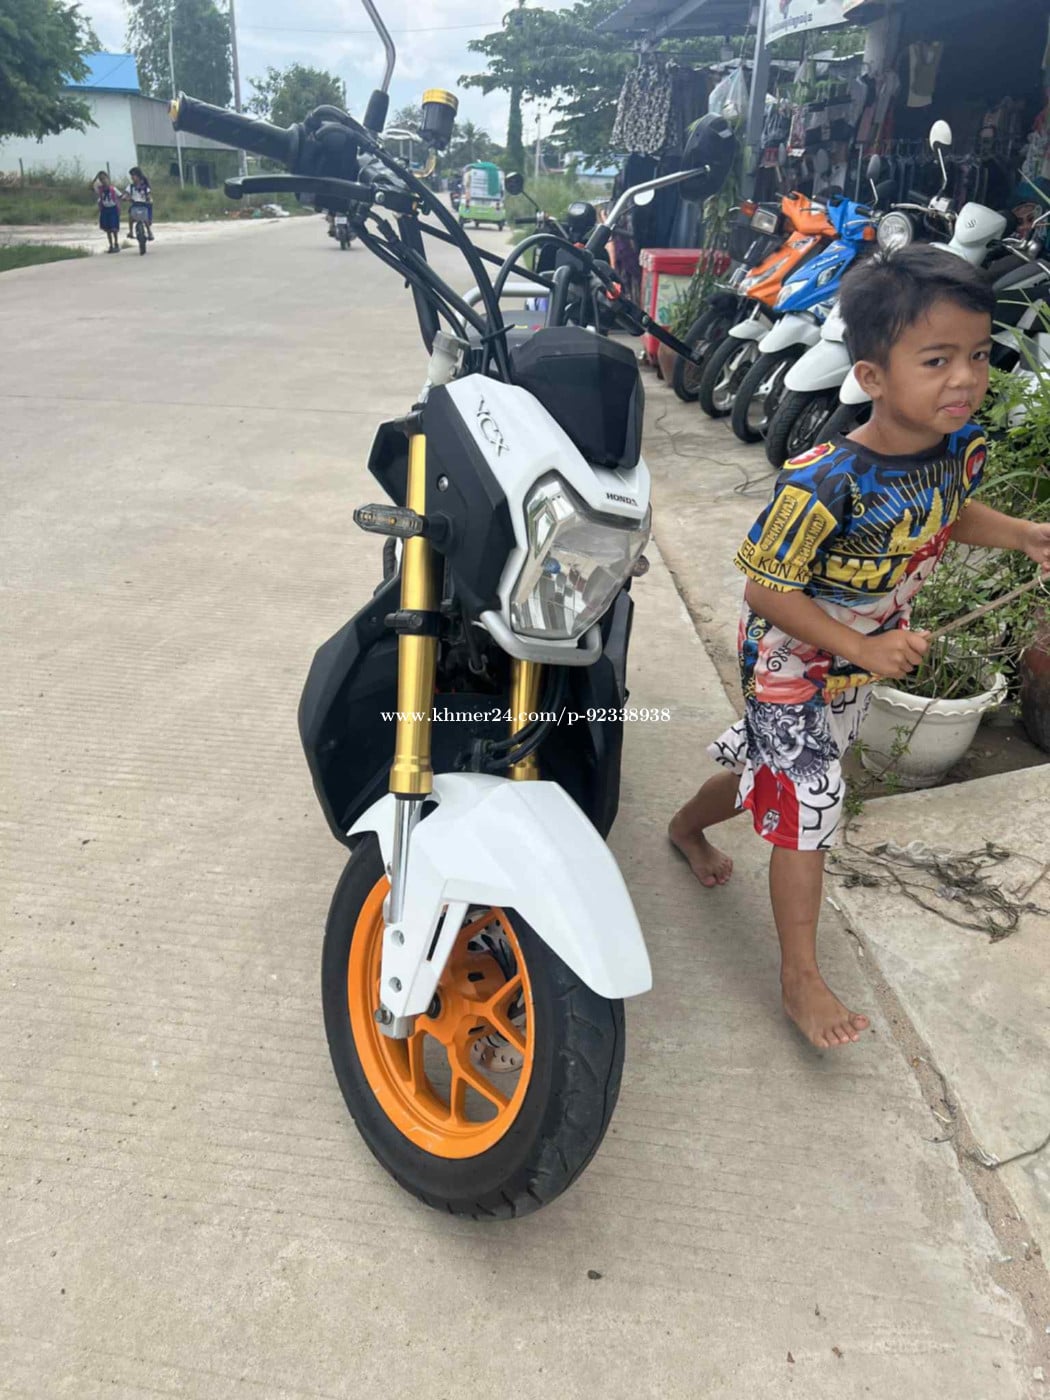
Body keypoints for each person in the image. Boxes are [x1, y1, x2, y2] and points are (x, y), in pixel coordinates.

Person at [669, 244, 1050, 1050]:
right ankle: (799, 978)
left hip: (863, 655)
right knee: (811, 800)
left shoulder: (959, 448)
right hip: (793, 657)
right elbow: (766, 591)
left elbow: (946, 512)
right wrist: (861, 647)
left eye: (979, 355)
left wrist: (1022, 534)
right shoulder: (822, 479)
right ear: (872, 376)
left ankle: (685, 827)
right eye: (937, 360)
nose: (966, 379)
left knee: (769, 771)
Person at [123, 166, 154, 244]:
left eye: (133, 175)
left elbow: (149, 195)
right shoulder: (130, 187)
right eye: (131, 176)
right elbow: (126, 194)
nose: (132, 177)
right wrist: (125, 197)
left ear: (138, 176)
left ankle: (149, 232)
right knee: (130, 217)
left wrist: (150, 199)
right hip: (135, 205)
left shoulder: (145, 187)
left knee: (145, 219)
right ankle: (131, 232)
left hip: (143, 205)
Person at [93, 171, 122, 253]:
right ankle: (111, 245)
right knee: (108, 229)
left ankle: (116, 244)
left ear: (108, 179)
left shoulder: (113, 189)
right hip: (105, 210)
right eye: (101, 179)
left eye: (104, 178)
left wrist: (120, 204)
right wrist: (95, 178)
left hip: (113, 209)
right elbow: (90, 187)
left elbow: (120, 196)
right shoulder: (100, 190)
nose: (103, 181)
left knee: (114, 228)